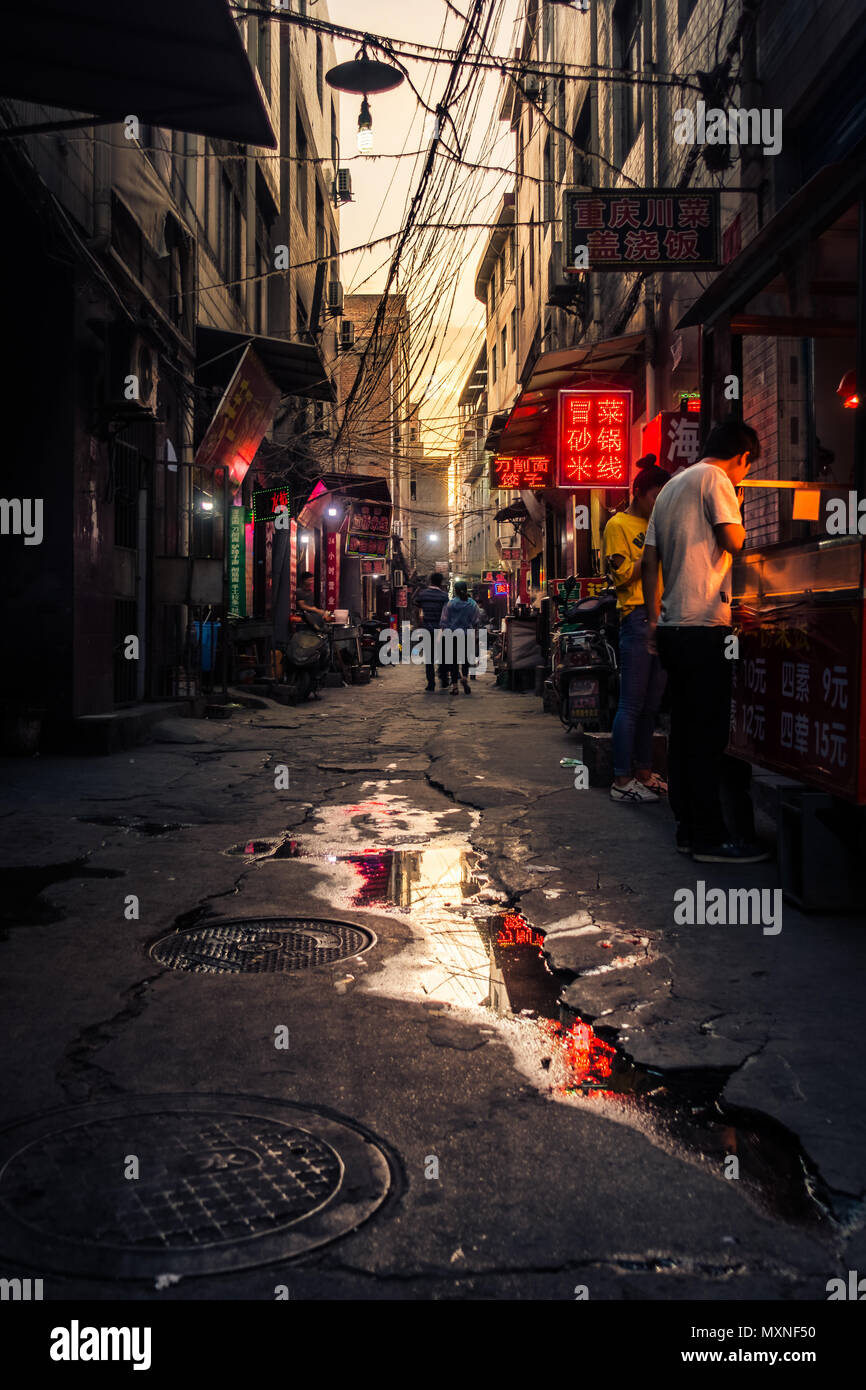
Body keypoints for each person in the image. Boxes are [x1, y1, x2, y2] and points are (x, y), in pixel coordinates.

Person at [641, 418, 769, 863]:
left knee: (684, 734)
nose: (744, 476)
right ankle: (711, 838)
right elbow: (734, 541)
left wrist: (655, 620)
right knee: (707, 736)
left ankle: (688, 829)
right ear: (742, 457)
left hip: (675, 627)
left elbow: (649, 561)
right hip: (702, 629)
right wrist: (738, 508)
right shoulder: (716, 478)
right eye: (747, 469)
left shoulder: (673, 486)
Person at [602, 462, 671, 803]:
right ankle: (621, 779)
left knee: (651, 705)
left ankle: (644, 772)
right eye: (656, 497)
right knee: (630, 704)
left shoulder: (658, 523)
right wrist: (652, 547)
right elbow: (621, 575)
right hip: (637, 616)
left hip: (665, 615)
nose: (659, 505)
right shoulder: (618, 525)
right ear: (639, 494)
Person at [439, 580, 482, 695]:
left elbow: (444, 622)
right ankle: (465, 678)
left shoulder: (450, 604)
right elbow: (476, 620)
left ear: (455, 591)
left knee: (453, 662)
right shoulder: (472, 604)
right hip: (467, 635)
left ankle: (455, 687)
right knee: (465, 660)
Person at [413, 571, 449, 691]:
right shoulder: (444, 596)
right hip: (441, 630)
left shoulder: (423, 595)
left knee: (429, 658)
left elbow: (416, 606)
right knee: (442, 656)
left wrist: (419, 624)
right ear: (440, 582)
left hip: (427, 629)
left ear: (430, 581)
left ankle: (431, 683)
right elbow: (446, 614)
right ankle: (444, 680)